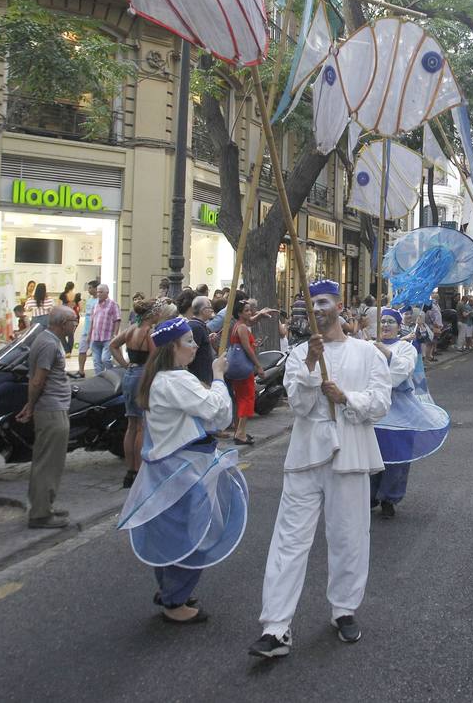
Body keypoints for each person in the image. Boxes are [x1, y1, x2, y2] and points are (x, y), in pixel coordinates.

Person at [249, 280, 391, 659]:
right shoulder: (298, 354)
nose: (316, 308)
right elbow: (297, 405)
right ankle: (276, 627)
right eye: (310, 303)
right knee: (289, 541)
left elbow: (379, 403)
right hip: (306, 457)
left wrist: (346, 397)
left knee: (349, 537)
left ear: (340, 306)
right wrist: (311, 365)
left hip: (351, 456)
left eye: (323, 301)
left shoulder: (367, 353)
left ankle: (344, 609)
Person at [117, 316, 244, 624]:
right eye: (189, 341)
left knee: (171, 533)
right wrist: (217, 376)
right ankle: (176, 602)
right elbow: (219, 413)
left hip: (169, 468)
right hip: (185, 470)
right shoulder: (176, 380)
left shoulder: (160, 378)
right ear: (172, 348)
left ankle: (171, 591)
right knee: (194, 535)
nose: (195, 346)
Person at [370, 309, 449, 518]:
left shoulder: (406, 348)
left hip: (401, 414)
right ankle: (370, 496)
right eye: (382, 321)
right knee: (372, 456)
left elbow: (400, 373)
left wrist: (386, 353)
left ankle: (389, 498)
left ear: (398, 326)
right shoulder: (368, 347)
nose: (385, 325)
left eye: (390, 322)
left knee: (397, 458)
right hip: (374, 413)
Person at [16, 305, 78, 529]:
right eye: (73, 321)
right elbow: (37, 380)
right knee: (49, 463)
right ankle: (40, 513)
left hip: (52, 406)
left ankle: (43, 506)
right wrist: (31, 406)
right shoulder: (49, 344)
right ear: (63, 324)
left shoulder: (49, 341)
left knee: (47, 461)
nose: (75, 325)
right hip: (51, 409)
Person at [112, 299, 161, 488]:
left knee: (131, 425)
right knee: (140, 425)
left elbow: (113, 345)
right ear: (151, 314)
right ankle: (139, 471)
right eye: (157, 312)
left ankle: (129, 471)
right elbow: (155, 358)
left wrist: (124, 365)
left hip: (130, 375)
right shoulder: (149, 332)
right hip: (141, 376)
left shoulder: (132, 328)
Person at [227, 298, 265, 446]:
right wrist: (259, 366)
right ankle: (241, 432)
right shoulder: (242, 327)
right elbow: (247, 348)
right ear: (239, 313)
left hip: (237, 367)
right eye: (247, 311)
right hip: (243, 368)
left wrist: (253, 344)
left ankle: (240, 431)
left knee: (242, 397)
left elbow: (245, 345)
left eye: (250, 310)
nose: (250, 313)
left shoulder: (238, 326)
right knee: (247, 398)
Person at [86, 283, 121, 375]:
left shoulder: (113, 304)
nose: (98, 294)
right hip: (96, 337)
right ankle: (99, 380)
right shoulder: (95, 305)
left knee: (105, 359)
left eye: (101, 292)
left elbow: (117, 319)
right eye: (97, 292)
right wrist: (89, 335)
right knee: (97, 362)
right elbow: (92, 321)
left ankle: (113, 374)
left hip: (107, 337)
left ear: (107, 292)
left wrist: (115, 334)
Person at [185, 297, 217, 387]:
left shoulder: (199, 326)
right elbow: (191, 352)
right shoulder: (197, 327)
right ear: (203, 310)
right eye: (209, 307)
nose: (211, 310)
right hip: (199, 377)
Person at [74, 278, 100, 378]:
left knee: (96, 352)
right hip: (86, 330)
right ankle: (81, 371)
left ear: (95, 289)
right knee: (82, 350)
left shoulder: (99, 301)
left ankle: (98, 372)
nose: (88, 290)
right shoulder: (89, 300)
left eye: (90, 288)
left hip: (95, 331)